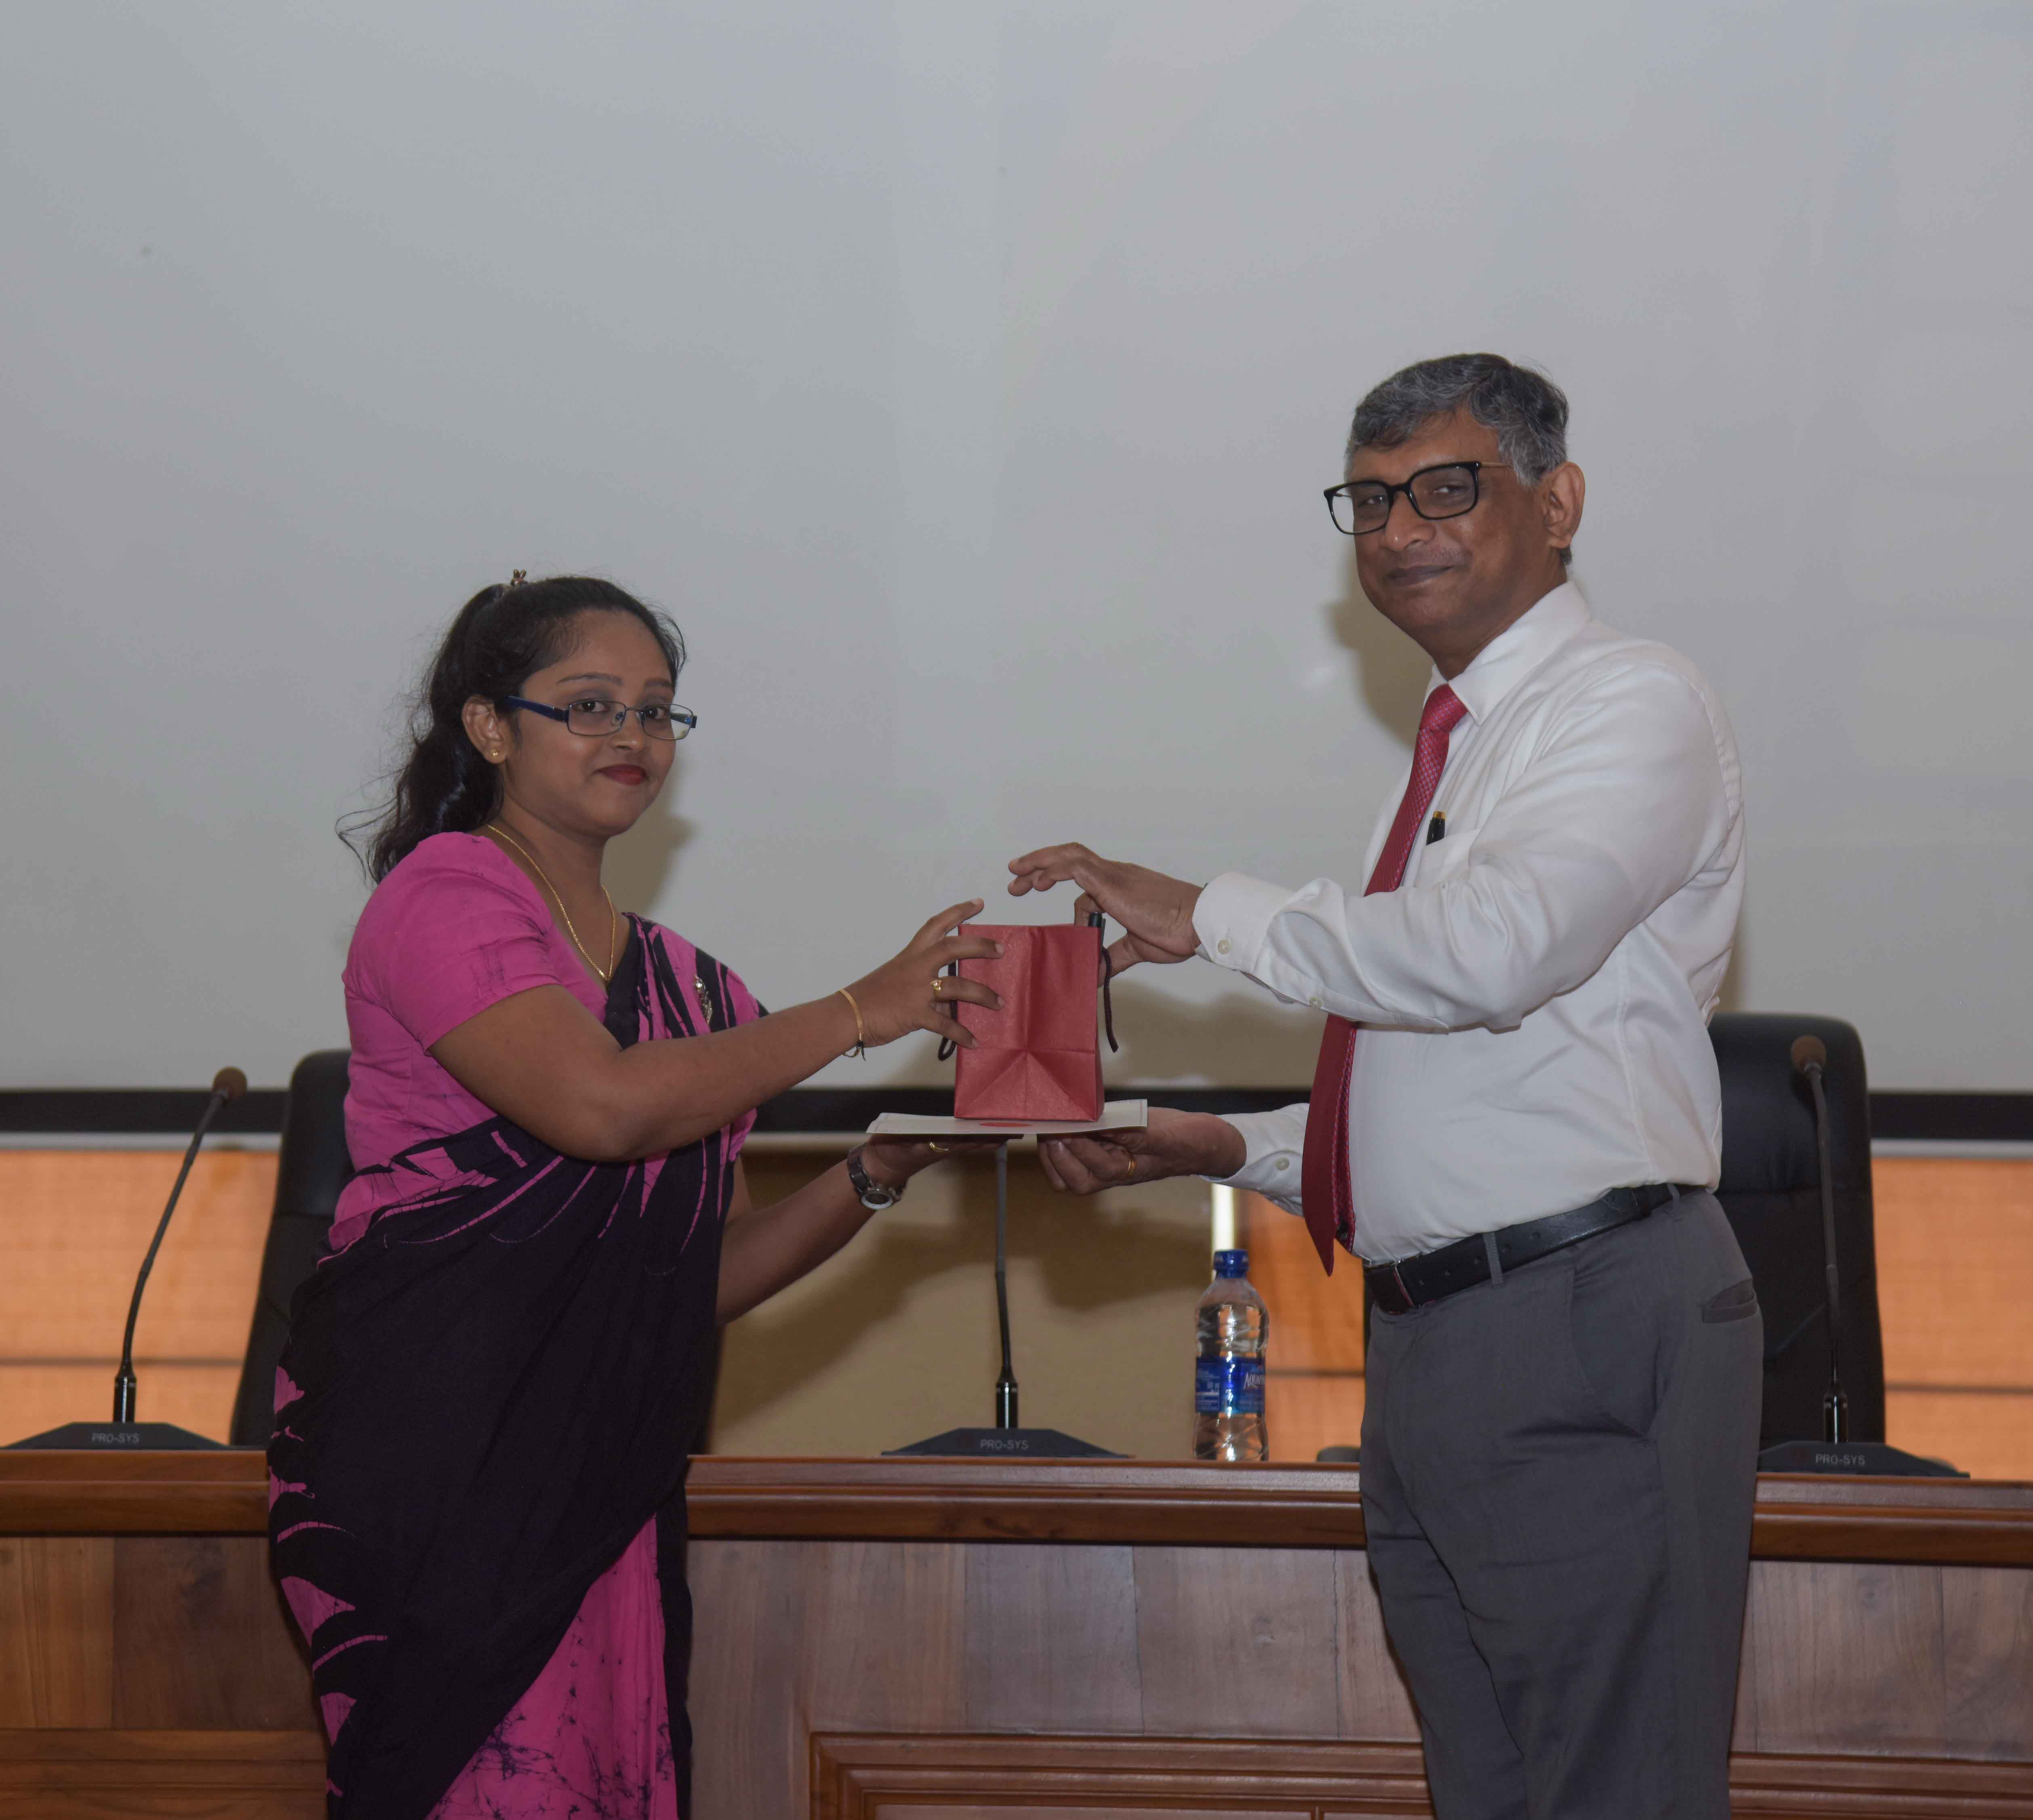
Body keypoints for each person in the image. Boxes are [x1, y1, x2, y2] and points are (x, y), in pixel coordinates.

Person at [1008, 355, 1761, 1819]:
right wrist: (1214, 1145)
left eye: (1445, 490)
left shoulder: (1630, 702)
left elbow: (1493, 956)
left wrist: (1207, 913)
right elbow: (1449, 1100)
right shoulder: (1458, 743)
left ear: (1559, 503)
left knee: (1613, 1792)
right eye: (1370, 500)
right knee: (1490, 1793)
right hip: (1439, 1338)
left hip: (1577, 1312)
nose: (1401, 530)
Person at [269, 573, 1001, 1820]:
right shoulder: (442, 898)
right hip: (430, 1460)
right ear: (489, 727)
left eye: (656, 712)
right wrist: (858, 1012)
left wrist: (873, 1173)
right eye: (590, 705)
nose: (633, 737)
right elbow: (600, 1111)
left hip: (603, 1475)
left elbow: (688, 1283)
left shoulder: (695, 993)